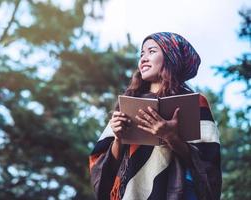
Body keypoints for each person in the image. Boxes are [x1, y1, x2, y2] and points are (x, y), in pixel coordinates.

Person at [89, 32, 222, 200]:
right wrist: (118, 138)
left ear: (171, 58)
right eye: (142, 54)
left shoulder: (196, 103)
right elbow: (101, 168)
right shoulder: (129, 105)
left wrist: (170, 137)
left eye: (151, 51)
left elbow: (207, 164)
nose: (143, 58)